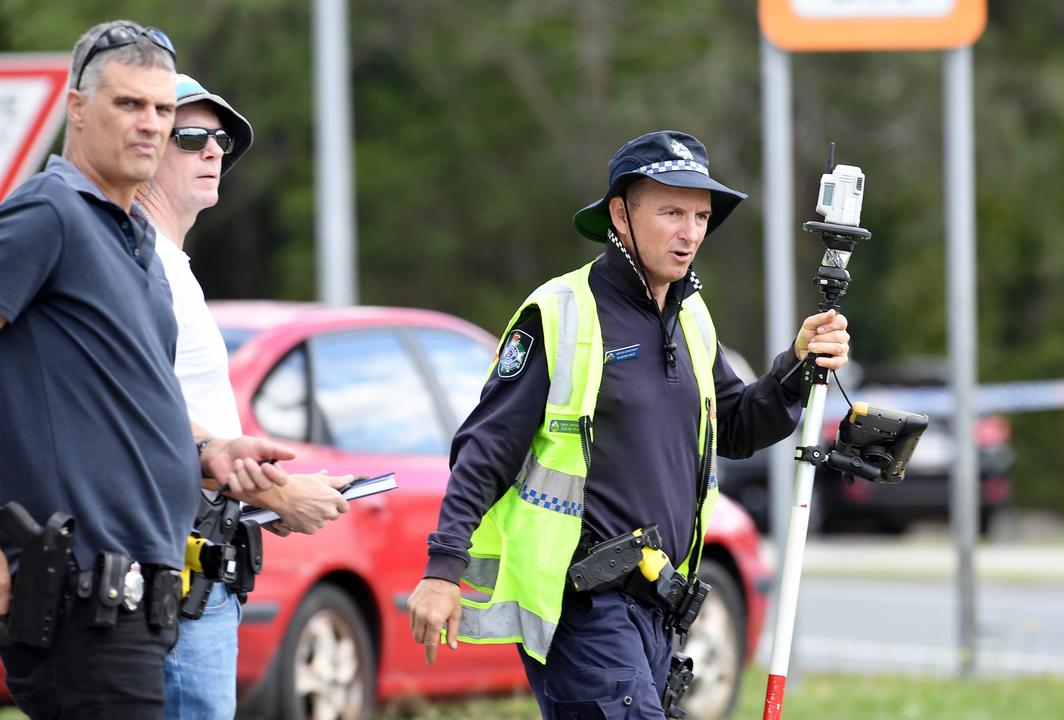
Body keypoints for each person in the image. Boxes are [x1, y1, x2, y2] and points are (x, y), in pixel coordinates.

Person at [407, 130, 851, 717]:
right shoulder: (560, 312)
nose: (690, 232)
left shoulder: (692, 316)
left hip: (661, 605)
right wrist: (442, 570)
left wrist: (795, 365)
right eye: (670, 211)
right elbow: (485, 449)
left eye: (700, 215)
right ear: (621, 214)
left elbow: (737, 428)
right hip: (584, 606)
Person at [0, 20, 290, 719]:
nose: (150, 125)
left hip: (145, 598)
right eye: (128, 104)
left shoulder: (135, 243)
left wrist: (209, 449)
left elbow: (130, 400)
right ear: (76, 108)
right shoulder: (49, 212)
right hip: (76, 596)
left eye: (162, 110)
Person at [138, 73, 354, 720]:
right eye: (193, 136)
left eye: (220, 139)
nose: (214, 152)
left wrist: (257, 501)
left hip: (200, 567)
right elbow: (145, 421)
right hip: (172, 577)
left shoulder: (170, 265)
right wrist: (274, 493)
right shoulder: (143, 267)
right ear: (144, 144)